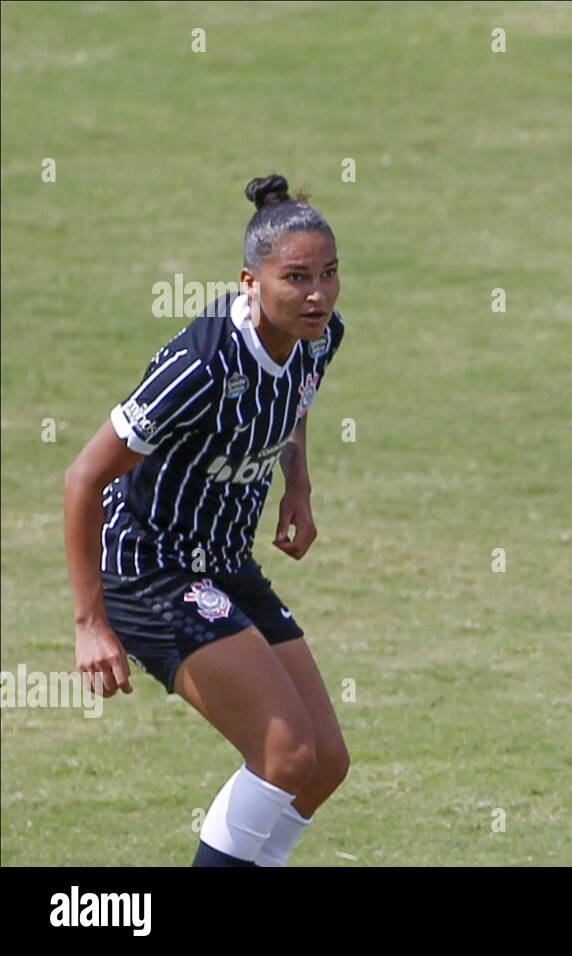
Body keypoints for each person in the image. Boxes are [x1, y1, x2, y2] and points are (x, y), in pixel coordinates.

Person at [63, 174, 349, 866]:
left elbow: (296, 400)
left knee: (324, 764)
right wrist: (89, 623)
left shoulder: (317, 336)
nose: (317, 295)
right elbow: (83, 476)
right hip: (148, 569)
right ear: (249, 281)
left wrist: (297, 489)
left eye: (330, 274)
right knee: (284, 751)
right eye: (297, 278)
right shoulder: (202, 361)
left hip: (222, 559)